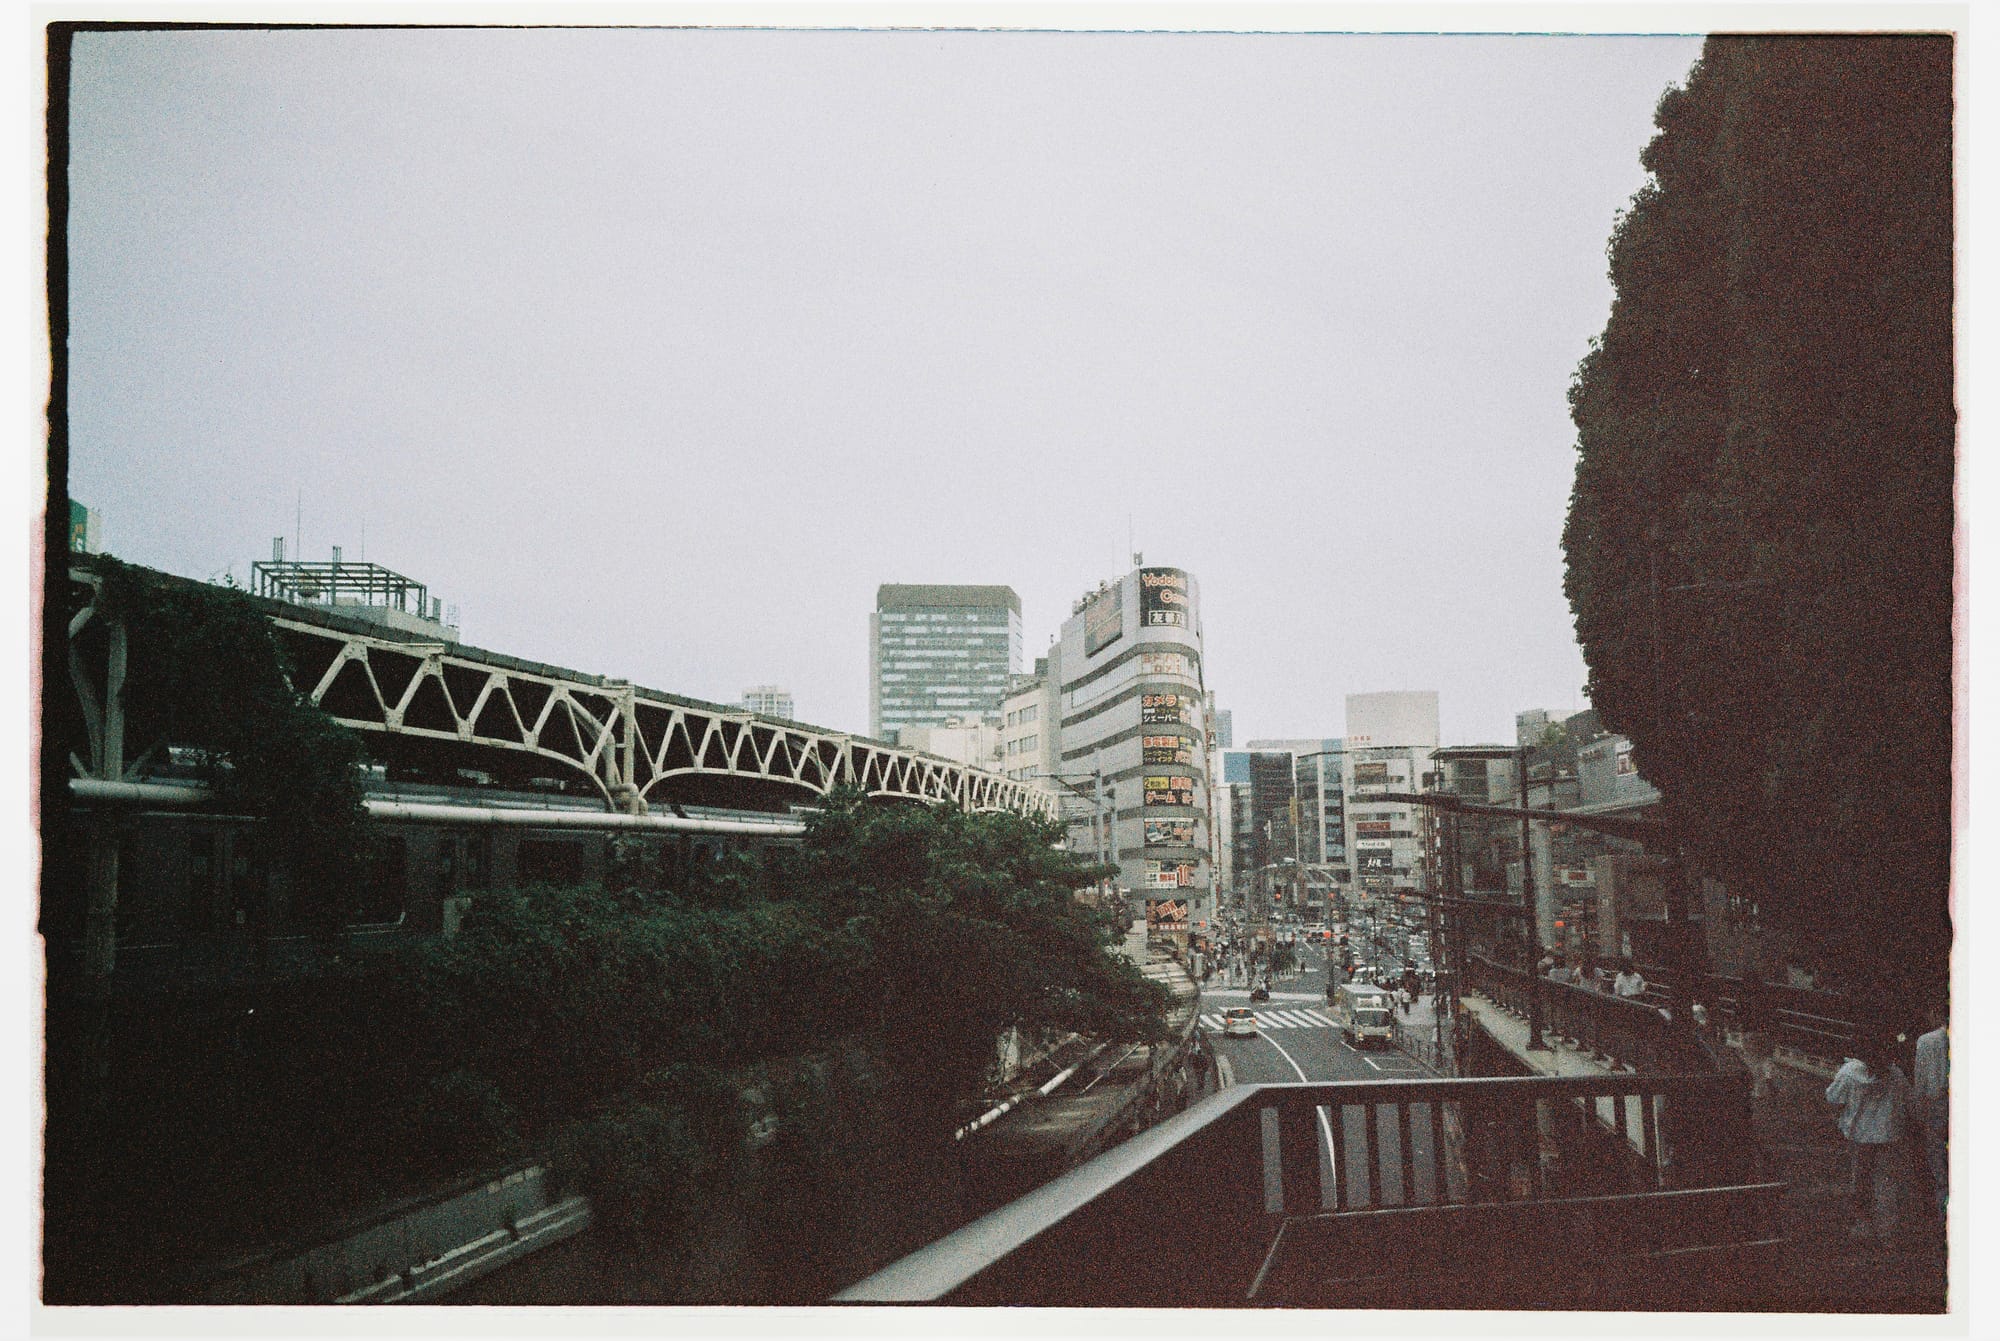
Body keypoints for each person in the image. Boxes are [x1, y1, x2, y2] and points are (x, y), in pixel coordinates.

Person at [1825, 1033, 1912, 1244]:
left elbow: (1833, 1098)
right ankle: (1888, 1232)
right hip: (1889, 1135)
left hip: (1860, 1136)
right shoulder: (1895, 1074)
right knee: (1886, 1183)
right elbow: (1907, 1102)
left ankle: (1863, 1225)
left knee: (1861, 1180)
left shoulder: (1849, 1072)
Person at [1912, 1007, 1949, 1221]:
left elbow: (1921, 1079)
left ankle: (1943, 1208)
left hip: (1936, 1106)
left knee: (1937, 1157)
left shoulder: (1926, 1041)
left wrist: (1919, 1110)